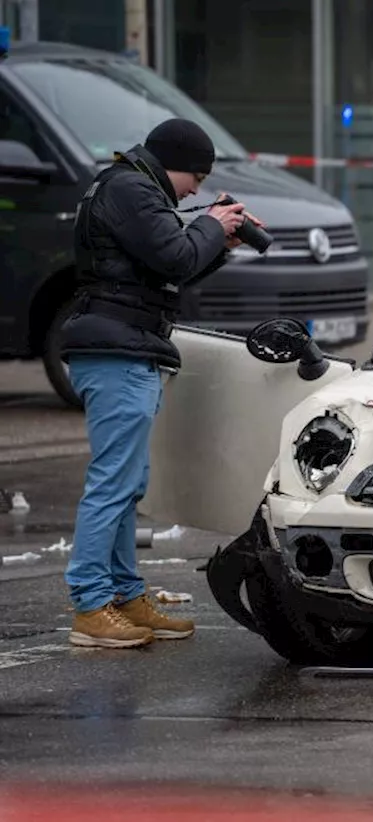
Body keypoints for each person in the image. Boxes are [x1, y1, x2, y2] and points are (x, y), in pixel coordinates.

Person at [59, 118, 263, 649]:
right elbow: (174, 253)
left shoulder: (132, 190)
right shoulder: (130, 189)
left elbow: (173, 267)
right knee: (113, 483)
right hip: (114, 350)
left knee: (128, 484)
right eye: (195, 177)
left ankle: (126, 596)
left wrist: (220, 240)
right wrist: (211, 224)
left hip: (126, 346)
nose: (196, 189)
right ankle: (89, 604)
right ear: (176, 163)